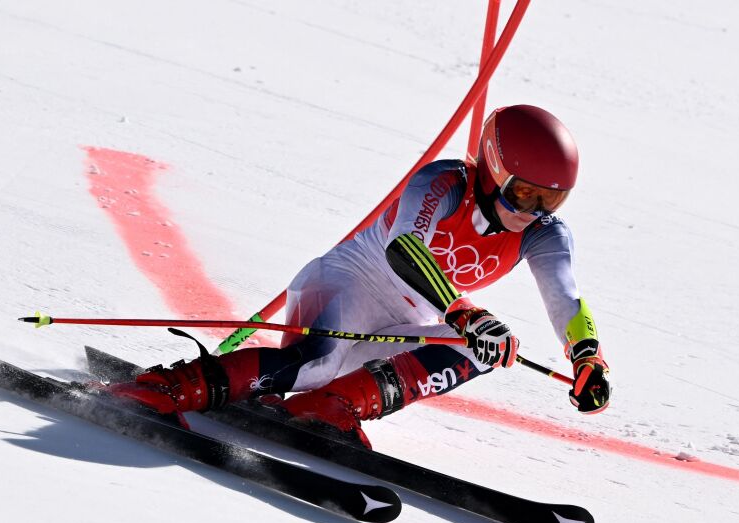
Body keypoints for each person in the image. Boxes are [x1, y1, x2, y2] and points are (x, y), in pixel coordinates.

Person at [108, 104, 612, 448]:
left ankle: (330, 407)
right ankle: (168, 387)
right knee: (317, 363)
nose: (534, 211)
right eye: (524, 193)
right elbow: (404, 250)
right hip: (349, 284)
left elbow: (565, 297)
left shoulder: (545, 234)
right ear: (496, 169)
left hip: (404, 321)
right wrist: (465, 312)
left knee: (488, 348)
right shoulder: (443, 182)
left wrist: (587, 357)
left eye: (552, 199)